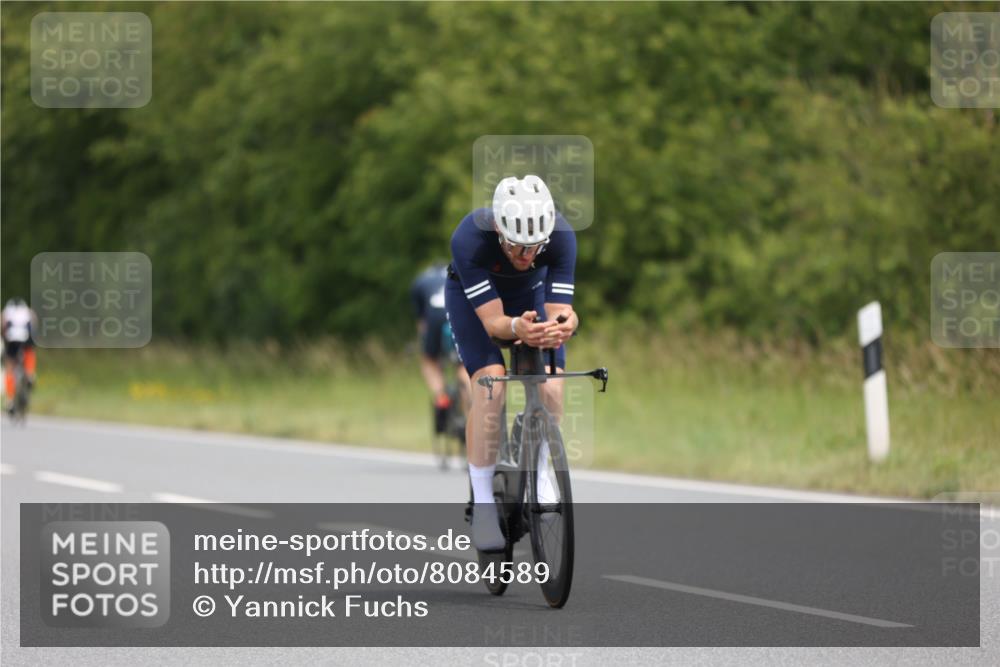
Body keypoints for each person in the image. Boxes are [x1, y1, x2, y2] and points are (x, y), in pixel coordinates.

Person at [445, 175, 578, 551]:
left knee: (551, 382)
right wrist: (518, 326)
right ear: (499, 230)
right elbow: (494, 326)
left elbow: (561, 311)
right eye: (517, 247)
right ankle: (484, 503)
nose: (526, 256)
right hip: (475, 305)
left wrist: (564, 325)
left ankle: (542, 468)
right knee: (490, 384)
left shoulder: (563, 236)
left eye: (534, 247)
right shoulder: (469, 238)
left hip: (529, 296)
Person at [410, 263, 469, 433]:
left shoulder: (420, 281)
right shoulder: (459, 271)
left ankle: (441, 397)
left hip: (434, 316)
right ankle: (470, 407)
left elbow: (422, 324)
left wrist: (426, 344)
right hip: (458, 313)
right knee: (463, 364)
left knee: (429, 361)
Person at [2, 297, 37, 406]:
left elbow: (2, 325)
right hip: (26, 338)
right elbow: (34, 320)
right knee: (29, 351)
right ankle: (30, 374)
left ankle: (10, 401)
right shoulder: (27, 310)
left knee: (9, 368)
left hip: (12, 339)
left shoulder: (6, 311)